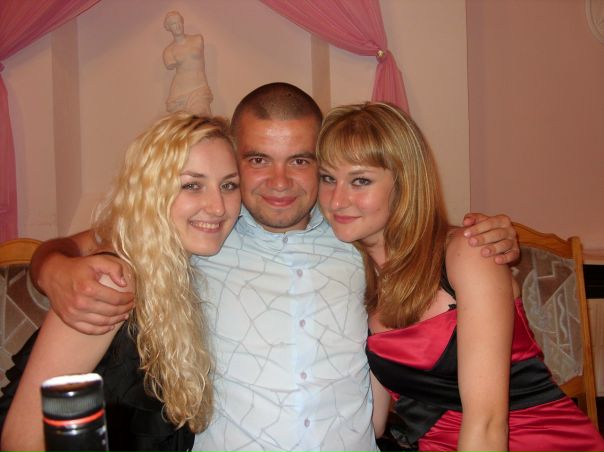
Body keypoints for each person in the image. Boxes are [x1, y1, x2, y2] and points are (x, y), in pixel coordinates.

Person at [26, 83, 520, 452]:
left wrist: (487, 239)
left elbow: (422, 239)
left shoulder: (353, 233)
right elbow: (80, 244)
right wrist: (52, 267)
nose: (280, 182)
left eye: (301, 161)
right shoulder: (200, 232)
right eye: (259, 159)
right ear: (233, 157)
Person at [315, 101, 604, 452]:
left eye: (360, 180)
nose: (337, 200)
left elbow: (487, 424)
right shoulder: (354, 270)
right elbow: (372, 421)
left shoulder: (467, 254)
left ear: (405, 184)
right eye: (328, 178)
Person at [0, 113, 241, 452]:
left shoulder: (169, 262)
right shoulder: (112, 283)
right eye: (191, 185)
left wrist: (49, 260)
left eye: (229, 185)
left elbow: (75, 242)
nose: (217, 207)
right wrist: (52, 268)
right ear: (151, 192)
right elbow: (22, 441)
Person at [164, 11, 213, 116]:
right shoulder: (168, 51)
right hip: (179, 91)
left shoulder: (197, 39)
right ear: (169, 28)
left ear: (182, 23)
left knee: (201, 119)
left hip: (199, 86)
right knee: (183, 124)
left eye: (179, 22)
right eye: (173, 24)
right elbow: (170, 64)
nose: (177, 26)